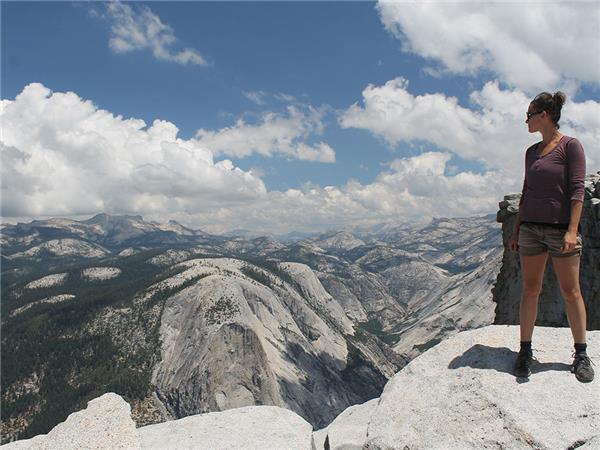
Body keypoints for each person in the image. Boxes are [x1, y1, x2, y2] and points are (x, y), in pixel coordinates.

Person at [510, 91, 594, 382]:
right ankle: (525, 351)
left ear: (544, 115)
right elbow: (526, 191)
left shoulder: (570, 146)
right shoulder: (531, 152)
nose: (526, 121)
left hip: (561, 231)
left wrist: (572, 230)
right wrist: (518, 228)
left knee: (571, 291)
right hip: (531, 228)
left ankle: (581, 354)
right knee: (530, 290)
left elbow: (577, 190)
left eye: (529, 115)